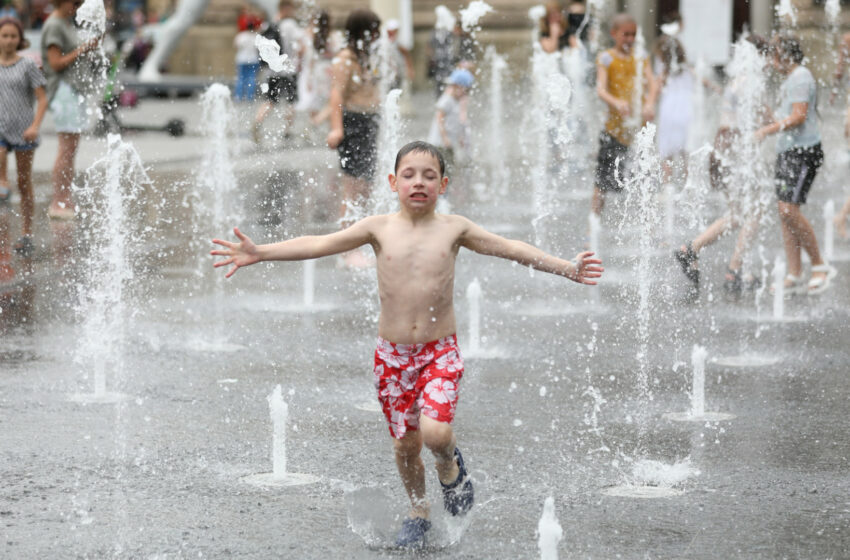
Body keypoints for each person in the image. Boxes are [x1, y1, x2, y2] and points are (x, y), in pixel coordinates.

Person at [210, 140, 604, 549]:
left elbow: (511, 249)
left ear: (444, 183)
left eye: (430, 176)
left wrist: (566, 268)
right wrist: (262, 252)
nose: (419, 183)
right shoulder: (378, 228)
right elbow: (319, 243)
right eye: (410, 175)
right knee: (405, 445)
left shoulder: (455, 229)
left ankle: (451, 467)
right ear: (393, 181)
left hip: (439, 352)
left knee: (435, 434)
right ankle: (418, 510)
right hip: (393, 357)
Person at [673, 35, 770, 297]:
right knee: (754, 210)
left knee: (741, 212)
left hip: (724, 150)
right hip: (735, 153)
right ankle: (734, 267)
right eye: (768, 56)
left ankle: (694, 249)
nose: (770, 63)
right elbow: (762, 118)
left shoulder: (737, 81)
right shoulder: (750, 83)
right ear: (760, 56)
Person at [754, 34, 835, 295]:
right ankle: (794, 273)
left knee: (789, 211)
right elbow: (782, 116)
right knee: (784, 212)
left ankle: (821, 266)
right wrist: (760, 103)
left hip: (803, 152)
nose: (771, 59)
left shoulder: (801, 76)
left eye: (774, 54)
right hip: (788, 151)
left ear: (784, 54)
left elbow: (799, 117)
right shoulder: (790, 79)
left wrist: (767, 130)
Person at [326, 9, 381, 267]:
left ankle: (357, 243)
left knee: (366, 187)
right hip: (353, 124)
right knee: (353, 188)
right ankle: (347, 251)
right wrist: (337, 129)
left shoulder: (364, 57)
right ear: (362, 31)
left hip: (368, 122)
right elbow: (336, 95)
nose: (377, 35)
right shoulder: (345, 59)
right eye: (374, 29)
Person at [589, 13, 657, 221]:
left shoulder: (640, 56)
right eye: (625, 34)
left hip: (640, 130)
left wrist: (650, 103)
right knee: (602, 182)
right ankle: (592, 229)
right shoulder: (606, 58)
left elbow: (653, 83)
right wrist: (616, 102)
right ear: (614, 34)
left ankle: (649, 229)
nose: (629, 39)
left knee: (647, 178)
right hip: (614, 130)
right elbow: (600, 89)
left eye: (633, 35)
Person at [41, 0, 102, 220]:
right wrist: (84, 48)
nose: (76, 8)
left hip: (73, 91)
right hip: (64, 92)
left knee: (71, 149)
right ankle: (58, 202)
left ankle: (65, 199)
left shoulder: (64, 23)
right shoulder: (55, 25)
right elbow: (55, 63)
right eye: (74, 3)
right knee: (66, 149)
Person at [0, 16, 47, 256]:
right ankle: (2, 183)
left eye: (12, 36)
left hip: (23, 129)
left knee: (24, 182)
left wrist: (36, 125)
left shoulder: (27, 66)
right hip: (0, 127)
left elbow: (42, 98)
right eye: (4, 36)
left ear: (19, 40)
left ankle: (27, 233)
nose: (8, 41)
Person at [253, 0, 303, 143]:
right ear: (287, 8)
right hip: (289, 69)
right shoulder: (290, 25)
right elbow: (300, 46)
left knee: (270, 100)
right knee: (291, 101)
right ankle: (287, 131)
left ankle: (258, 122)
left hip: (273, 70)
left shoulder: (269, 24)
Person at [654, 34, 693, 184]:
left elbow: (657, 88)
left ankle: (667, 184)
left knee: (666, 150)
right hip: (687, 111)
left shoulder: (664, 71)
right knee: (685, 150)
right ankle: (688, 184)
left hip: (669, 111)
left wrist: (649, 100)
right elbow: (703, 81)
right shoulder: (687, 68)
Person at [427, 68, 473, 172]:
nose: (466, 93)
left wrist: (461, 137)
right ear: (458, 87)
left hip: (449, 143)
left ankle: (447, 186)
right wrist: (444, 138)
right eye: (465, 90)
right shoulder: (447, 100)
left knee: (450, 167)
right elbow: (439, 118)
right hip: (440, 143)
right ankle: (444, 186)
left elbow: (458, 121)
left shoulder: (457, 101)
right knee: (444, 168)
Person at [233, 19, 260, 102]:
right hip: (253, 59)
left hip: (242, 59)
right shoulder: (256, 36)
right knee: (252, 78)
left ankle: (239, 96)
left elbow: (235, 46)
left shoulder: (241, 36)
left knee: (241, 78)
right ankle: (250, 96)